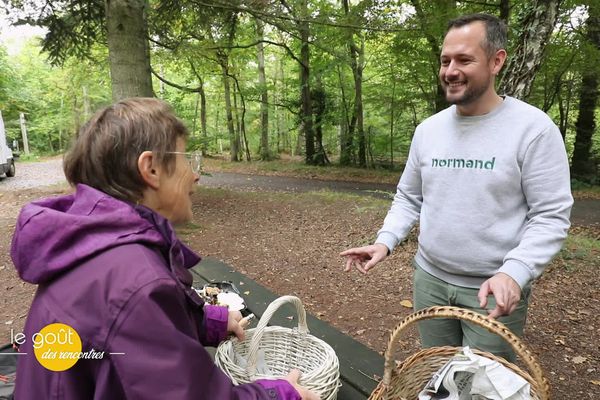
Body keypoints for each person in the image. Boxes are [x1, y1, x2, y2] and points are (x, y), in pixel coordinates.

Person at [11, 98, 318, 399]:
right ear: (151, 168)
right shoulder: (134, 280)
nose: (195, 174)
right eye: (187, 159)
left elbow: (124, 334)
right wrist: (283, 394)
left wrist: (205, 321)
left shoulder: (96, 242)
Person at [341, 13, 573, 361]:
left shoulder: (534, 129)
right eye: (445, 60)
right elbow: (409, 196)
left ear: (497, 61)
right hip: (429, 281)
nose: (450, 70)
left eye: (464, 60)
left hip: (493, 289)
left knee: (485, 385)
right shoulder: (428, 130)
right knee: (434, 372)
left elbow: (551, 216)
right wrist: (384, 242)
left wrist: (515, 273)